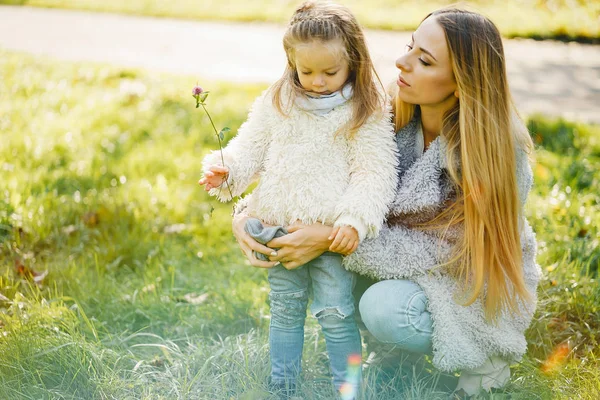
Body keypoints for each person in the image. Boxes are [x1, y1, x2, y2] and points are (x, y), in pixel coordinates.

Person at [231, 7, 541, 397]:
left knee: (383, 308)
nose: (401, 61)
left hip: (470, 285)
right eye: (410, 46)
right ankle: (396, 353)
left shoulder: (496, 154)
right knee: (353, 290)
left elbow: (447, 251)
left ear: (462, 83)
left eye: (424, 60)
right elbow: (307, 168)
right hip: (391, 259)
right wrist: (247, 215)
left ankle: (485, 358)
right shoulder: (382, 115)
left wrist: (332, 238)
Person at [199, 1, 398, 395]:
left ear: (353, 62)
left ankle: (348, 386)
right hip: (281, 227)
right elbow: (251, 146)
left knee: (335, 313)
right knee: (285, 310)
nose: (318, 81)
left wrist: (354, 220)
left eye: (330, 72)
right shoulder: (279, 100)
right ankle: (283, 384)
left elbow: (375, 172)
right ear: (291, 62)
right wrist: (228, 169)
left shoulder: (364, 108)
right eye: (306, 71)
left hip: (330, 233)